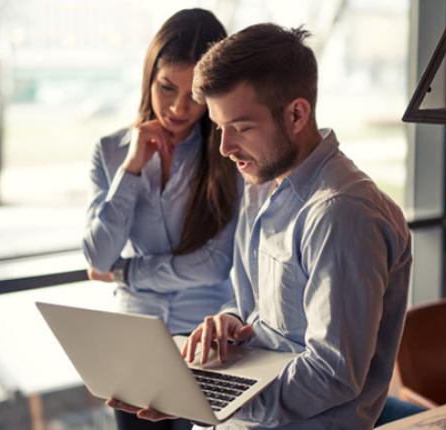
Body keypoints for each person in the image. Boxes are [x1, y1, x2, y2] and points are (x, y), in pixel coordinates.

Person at [177, 24, 412, 429]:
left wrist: (217, 402)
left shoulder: (341, 214)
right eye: (219, 128)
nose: (225, 148)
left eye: (242, 127)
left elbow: (332, 373)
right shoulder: (260, 187)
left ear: (297, 114)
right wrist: (233, 323)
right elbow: (260, 314)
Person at [82, 9, 238, 430]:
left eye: (194, 95)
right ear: (149, 76)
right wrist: (131, 169)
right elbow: (98, 254)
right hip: (132, 341)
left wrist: (125, 272)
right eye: (166, 87)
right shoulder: (111, 151)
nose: (177, 107)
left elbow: (214, 265)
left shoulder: (229, 156)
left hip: (203, 340)